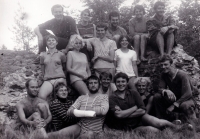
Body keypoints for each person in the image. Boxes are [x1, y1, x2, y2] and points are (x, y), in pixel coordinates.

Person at [105, 72, 176, 132]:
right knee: (154, 131)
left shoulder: (134, 93)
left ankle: (177, 128)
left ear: (127, 83)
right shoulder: (112, 97)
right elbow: (118, 115)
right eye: (118, 82)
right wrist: (135, 107)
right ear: (115, 83)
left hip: (141, 118)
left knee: (159, 123)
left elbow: (142, 110)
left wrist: (124, 114)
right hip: (129, 126)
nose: (121, 84)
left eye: (123, 81)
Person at [153, 54, 197, 122]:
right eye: (161, 65)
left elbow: (188, 94)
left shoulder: (182, 75)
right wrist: (165, 90)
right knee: (157, 96)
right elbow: (160, 88)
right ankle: (162, 120)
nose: (163, 67)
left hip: (187, 99)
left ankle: (192, 121)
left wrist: (174, 105)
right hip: (176, 98)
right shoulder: (164, 75)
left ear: (171, 64)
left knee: (185, 105)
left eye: (165, 64)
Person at [39, 35, 66, 100]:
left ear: (56, 43)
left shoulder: (61, 54)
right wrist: (44, 77)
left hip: (59, 78)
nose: (51, 42)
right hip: (48, 80)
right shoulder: (43, 55)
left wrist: (63, 78)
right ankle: (47, 110)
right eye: (49, 40)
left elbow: (64, 67)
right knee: (41, 96)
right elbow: (42, 67)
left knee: (58, 96)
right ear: (46, 43)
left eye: (53, 40)